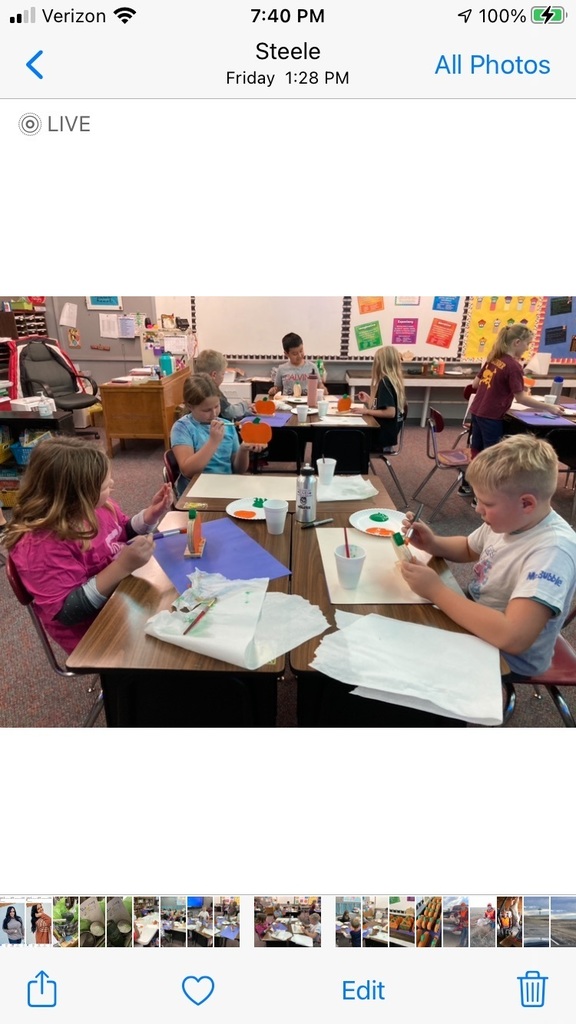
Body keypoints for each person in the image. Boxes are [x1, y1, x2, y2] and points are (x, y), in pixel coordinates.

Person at [399, 435, 576, 690]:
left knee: (412, 661)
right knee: (408, 619)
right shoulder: (511, 520)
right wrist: (433, 543)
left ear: (526, 503)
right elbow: (468, 547)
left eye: (487, 503)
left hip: (508, 656)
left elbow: (512, 637)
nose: (477, 509)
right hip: (481, 617)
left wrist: (436, 591)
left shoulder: (553, 551)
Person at [3, 436, 173, 655]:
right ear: (77, 494)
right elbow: (69, 612)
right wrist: (122, 566)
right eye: (104, 485)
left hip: (120, 598)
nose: (112, 484)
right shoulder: (40, 546)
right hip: (93, 634)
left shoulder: (99, 507)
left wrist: (151, 515)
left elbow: (120, 531)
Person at [461, 324, 566, 504]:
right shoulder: (513, 366)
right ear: (517, 342)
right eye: (527, 343)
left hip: (478, 412)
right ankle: (482, 498)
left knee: (476, 451)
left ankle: (467, 486)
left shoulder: (493, 358)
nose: (528, 348)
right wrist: (549, 407)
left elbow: (475, 385)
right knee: (492, 458)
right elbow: (521, 398)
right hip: (492, 416)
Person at [170, 375, 266, 495]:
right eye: (206, 410)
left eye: (216, 406)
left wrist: (243, 449)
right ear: (190, 406)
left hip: (225, 488)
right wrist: (213, 442)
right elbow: (188, 471)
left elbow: (239, 470)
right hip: (195, 492)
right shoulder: (182, 428)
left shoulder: (227, 426)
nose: (214, 413)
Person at [354, 345, 406, 448]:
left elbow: (390, 412)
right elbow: (384, 406)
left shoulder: (385, 382)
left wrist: (366, 411)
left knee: (349, 438)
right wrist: (369, 400)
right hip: (389, 434)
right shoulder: (393, 380)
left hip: (381, 436)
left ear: (381, 363)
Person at [194, 349, 254, 420]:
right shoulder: (212, 391)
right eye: (223, 374)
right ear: (214, 375)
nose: (223, 377)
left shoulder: (196, 387)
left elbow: (226, 407)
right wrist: (245, 405)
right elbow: (230, 412)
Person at [268, 332, 327, 397]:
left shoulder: (312, 367)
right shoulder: (281, 369)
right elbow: (278, 390)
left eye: (301, 351)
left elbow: (320, 385)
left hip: (308, 401)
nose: (299, 355)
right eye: (295, 354)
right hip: (287, 402)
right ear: (286, 354)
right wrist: (273, 391)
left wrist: (323, 389)